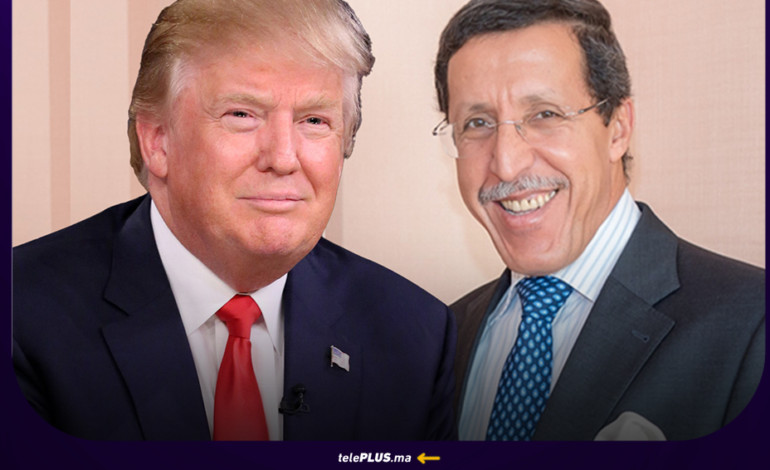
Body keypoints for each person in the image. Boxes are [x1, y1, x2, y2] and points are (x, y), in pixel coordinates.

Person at [13, 0, 456, 441]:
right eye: (242, 115)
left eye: (314, 120)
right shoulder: (22, 318)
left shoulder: (414, 336)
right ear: (157, 141)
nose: (283, 158)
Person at [433, 0, 764, 441]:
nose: (507, 164)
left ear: (618, 128)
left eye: (545, 114)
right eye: (477, 122)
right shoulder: (441, 334)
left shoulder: (755, 324)